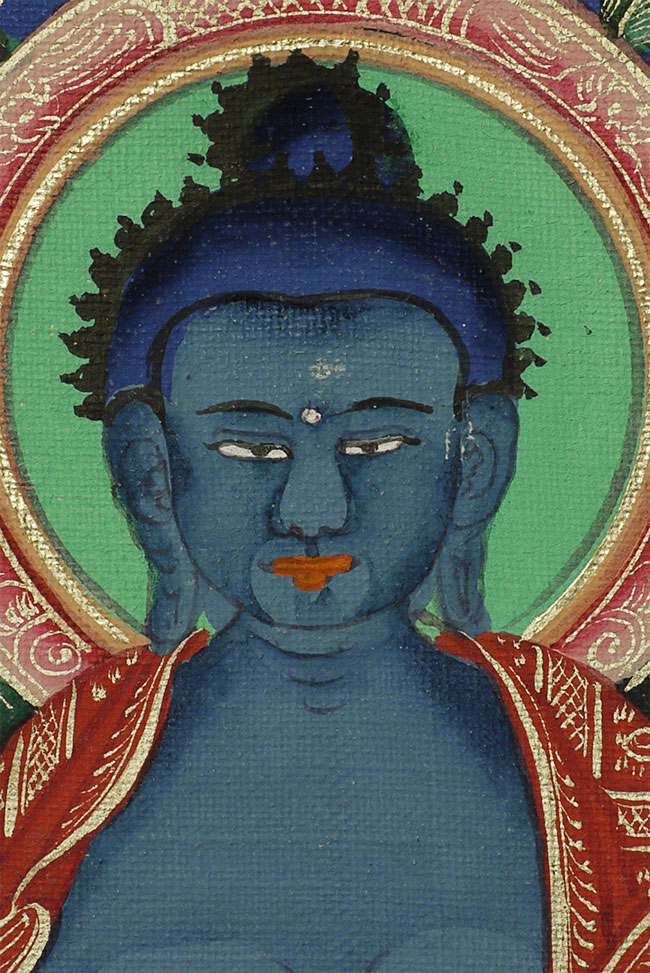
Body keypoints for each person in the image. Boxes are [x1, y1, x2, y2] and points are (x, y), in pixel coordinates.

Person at [1, 51, 650, 972]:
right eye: (249, 449)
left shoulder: (599, 773)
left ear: (475, 464)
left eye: (375, 444)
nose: (312, 511)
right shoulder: (52, 791)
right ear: (150, 472)